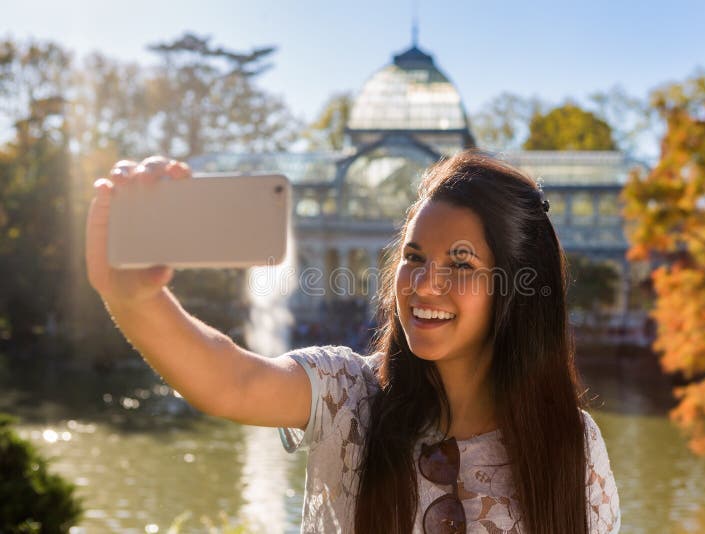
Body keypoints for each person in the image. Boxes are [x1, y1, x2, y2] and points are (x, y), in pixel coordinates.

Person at [86, 151, 620, 533]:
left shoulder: (571, 446)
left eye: (460, 262)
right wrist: (133, 298)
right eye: (413, 258)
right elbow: (234, 380)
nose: (424, 283)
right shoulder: (351, 395)